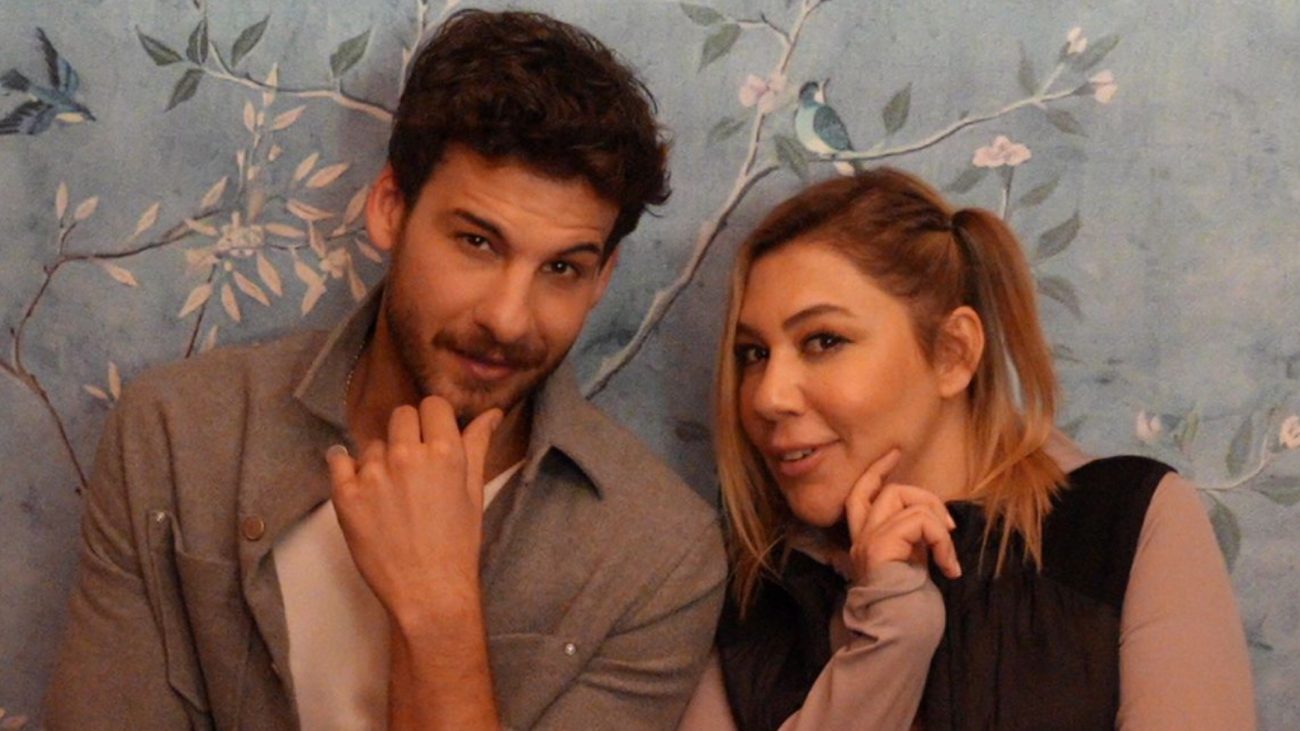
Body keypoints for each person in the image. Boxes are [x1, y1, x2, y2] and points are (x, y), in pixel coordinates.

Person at [46, 10, 725, 730]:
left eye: (561, 268)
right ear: (391, 209)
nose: (508, 318)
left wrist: (438, 613)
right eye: (477, 242)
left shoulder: (659, 558)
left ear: (601, 279)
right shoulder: (177, 434)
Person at [678, 168, 1255, 730]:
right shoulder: (755, 591)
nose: (768, 396)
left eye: (823, 340)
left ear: (952, 353)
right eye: (753, 353)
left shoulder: (1125, 523)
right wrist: (889, 638)